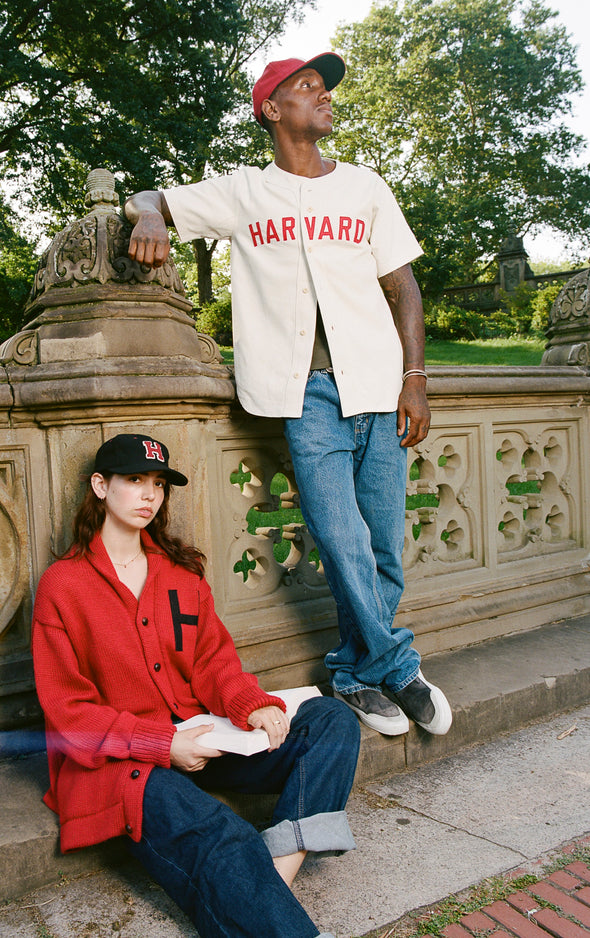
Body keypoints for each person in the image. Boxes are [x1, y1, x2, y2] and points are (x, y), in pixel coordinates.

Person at [123, 53, 452, 738]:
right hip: (307, 396)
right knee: (341, 538)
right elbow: (150, 198)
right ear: (272, 110)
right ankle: (398, 666)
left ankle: (354, 674)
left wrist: (415, 380)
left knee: (383, 545)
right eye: (307, 87)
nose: (323, 95)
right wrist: (149, 218)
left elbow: (404, 288)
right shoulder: (245, 192)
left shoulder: (365, 186)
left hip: (379, 386)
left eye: (324, 88)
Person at [31, 433, 360, 938]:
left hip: (203, 736)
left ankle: (273, 882)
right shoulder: (64, 585)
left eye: (159, 484)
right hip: (125, 762)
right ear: (100, 486)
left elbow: (213, 660)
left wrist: (250, 704)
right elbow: (70, 713)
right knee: (223, 833)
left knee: (331, 720)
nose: (149, 494)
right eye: (134, 480)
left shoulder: (180, 573)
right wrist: (164, 745)